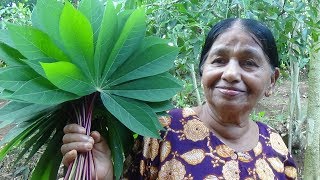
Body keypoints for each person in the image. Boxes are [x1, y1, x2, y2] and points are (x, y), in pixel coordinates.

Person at [61, 18, 298, 179]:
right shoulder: (162, 131)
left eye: (249, 62)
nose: (231, 73)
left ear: (272, 80)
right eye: (219, 60)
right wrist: (103, 176)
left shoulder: (276, 146)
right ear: (203, 70)